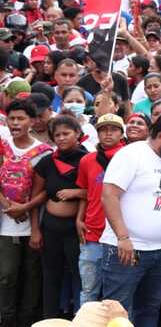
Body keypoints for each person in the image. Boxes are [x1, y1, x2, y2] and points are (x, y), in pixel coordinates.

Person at [100, 113, 161, 327]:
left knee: (149, 311)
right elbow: (109, 195)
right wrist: (123, 237)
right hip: (128, 250)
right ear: (159, 135)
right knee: (116, 315)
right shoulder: (132, 154)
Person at [0, 99, 52, 327]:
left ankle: (27, 320)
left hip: (33, 224)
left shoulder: (44, 152)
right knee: (7, 275)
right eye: (11, 118)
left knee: (31, 275)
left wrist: (25, 208)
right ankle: (6, 318)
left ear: (32, 121)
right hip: (4, 222)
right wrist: (9, 206)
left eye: (20, 118)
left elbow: (45, 190)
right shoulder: (2, 146)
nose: (15, 123)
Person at [31, 114, 88, 318]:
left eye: (66, 133)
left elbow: (98, 192)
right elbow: (35, 197)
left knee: (79, 277)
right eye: (57, 135)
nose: (61, 138)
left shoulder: (88, 159)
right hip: (51, 227)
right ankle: (49, 320)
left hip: (77, 229)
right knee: (50, 276)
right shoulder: (47, 162)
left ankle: (80, 320)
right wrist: (35, 230)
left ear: (78, 134)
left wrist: (77, 193)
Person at [75, 114, 126, 305]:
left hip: (120, 235)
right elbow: (86, 192)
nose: (108, 133)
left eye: (113, 129)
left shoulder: (130, 157)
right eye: (103, 129)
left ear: (122, 133)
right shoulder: (87, 160)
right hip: (93, 232)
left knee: (118, 294)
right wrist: (79, 218)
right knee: (89, 291)